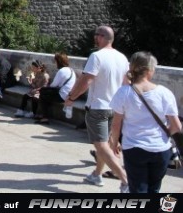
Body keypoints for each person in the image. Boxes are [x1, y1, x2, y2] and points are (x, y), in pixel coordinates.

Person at [64, 25, 129, 193]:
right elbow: (126, 84)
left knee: (101, 146)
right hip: (115, 108)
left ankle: (125, 179)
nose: (95, 38)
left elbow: (86, 81)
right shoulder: (122, 58)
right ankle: (97, 174)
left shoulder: (96, 56)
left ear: (100, 37)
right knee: (106, 144)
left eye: (96, 35)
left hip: (98, 107)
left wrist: (71, 98)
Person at [109, 52, 181, 193]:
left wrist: (114, 143)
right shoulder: (164, 93)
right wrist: (165, 133)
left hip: (134, 148)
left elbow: (116, 124)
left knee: (138, 189)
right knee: (154, 189)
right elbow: (177, 126)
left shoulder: (123, 92)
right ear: (149, 70)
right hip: (161, 149)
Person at [35, 52, 75, 124]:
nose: (55, 63)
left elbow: (54, 85)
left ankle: (44, 117)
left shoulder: (61, 71)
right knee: (45, 93)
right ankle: (44, 115)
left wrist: (41, 89)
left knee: (43, 93)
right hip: (69, 94)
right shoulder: (71, 70)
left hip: (63, 96)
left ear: (58, 62)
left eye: (55, 61)